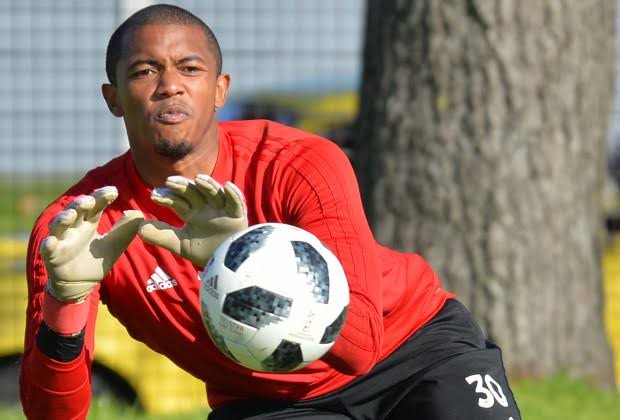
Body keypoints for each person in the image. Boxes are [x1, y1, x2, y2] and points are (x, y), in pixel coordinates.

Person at [19, 4, 521, 419]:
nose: (170, 85)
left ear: (220, 89)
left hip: (412, 349)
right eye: (144, 71)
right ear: (113, 98)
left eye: (190, 69)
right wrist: (66, 301)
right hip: (267, 401)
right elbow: (50, 414)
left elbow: (360, 345)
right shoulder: (78, 228)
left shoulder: (300, 162)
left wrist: (238, 253)